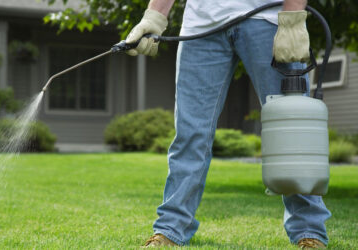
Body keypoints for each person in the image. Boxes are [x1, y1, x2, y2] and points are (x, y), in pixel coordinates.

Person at [125, 0, 331, 248]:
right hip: (201, 26)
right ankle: (170, 229)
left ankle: (309, 231)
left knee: (294, 128)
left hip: (269, 20)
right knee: (190, 134)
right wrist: (154, 17)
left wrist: (293, 17)